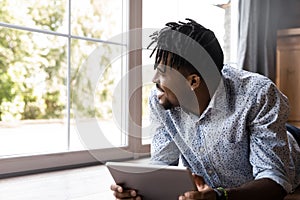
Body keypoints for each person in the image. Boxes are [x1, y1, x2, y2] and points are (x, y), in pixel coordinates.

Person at [110, 18, 300, 200]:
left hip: (291, 148)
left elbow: (275, 181)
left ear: (193, 81)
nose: (154, 81)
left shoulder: (258, 94)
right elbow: (162, 164)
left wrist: (220, 197)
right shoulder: (162, 99)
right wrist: (140, 191)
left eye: (162, 73)